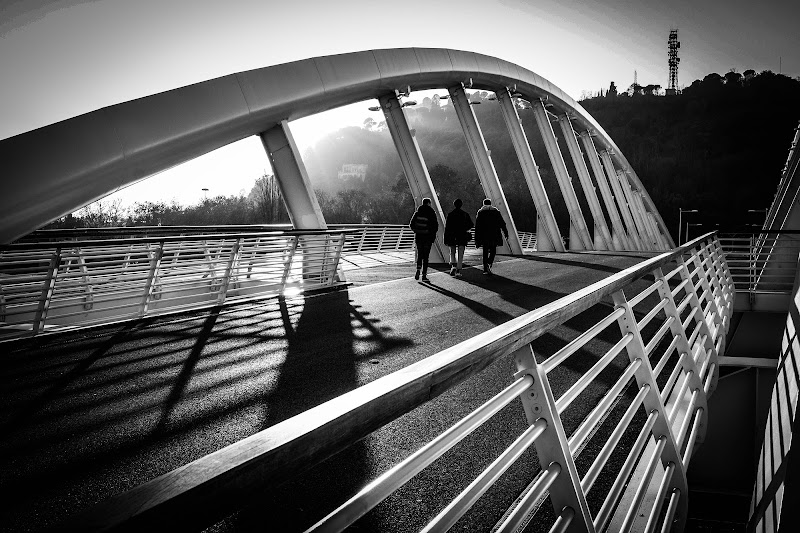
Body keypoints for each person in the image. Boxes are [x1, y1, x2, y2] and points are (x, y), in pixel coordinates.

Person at [474, 198, 508, 275]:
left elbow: (478, 226)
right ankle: (490, 262)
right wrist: (506, 232)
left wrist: (477, 238)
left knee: (485, 251)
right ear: (490, 203)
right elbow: (502, 223)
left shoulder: (480, 212)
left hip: (484, 235)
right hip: (494, 234)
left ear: (484, 204)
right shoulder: (496, 212)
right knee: (493, 250)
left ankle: (485, 268)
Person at [409, 197, 439, 282]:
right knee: (426, 257)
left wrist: (416, 231)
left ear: (423, 203)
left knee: (420, 254)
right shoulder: (431, 213)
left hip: (419, 237)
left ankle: (418, 269)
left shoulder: (417, 212)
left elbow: (411, 224)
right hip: (427, 237)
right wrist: (432, 235)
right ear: (429, 203)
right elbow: (435, 226)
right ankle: (424, 275)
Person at [443, 198, 474, 277]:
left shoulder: (450, 214)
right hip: (462, 235)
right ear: (461, 205)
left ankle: (453, 266)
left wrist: (446, 238)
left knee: (452, 251)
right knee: (461, 252)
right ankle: (458, 269)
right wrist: (465, 228)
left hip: (452, 236)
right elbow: (471, 225)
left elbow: (447, 227)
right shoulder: (465, 214)